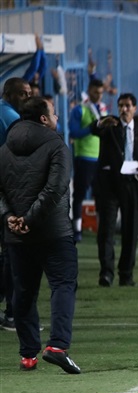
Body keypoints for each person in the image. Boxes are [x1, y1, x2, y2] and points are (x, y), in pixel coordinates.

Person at [0, 96, 81, 373]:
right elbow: (55, 188)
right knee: (63, 284)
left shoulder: (4, 149)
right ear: (44, 119)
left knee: (23, 292)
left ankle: (28, 354)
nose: (57, 118)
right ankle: (57, 346)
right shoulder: (57, 145)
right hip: (53, 232)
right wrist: (30, 219)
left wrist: (9, 218)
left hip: (16, 235)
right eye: (54, 113)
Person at [90, 93, 138, 287]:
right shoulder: (110, 125)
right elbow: (93, 129)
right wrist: (100, 123)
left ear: (135, 108)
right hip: (110, 184)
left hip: (133, 184)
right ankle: (106, 273)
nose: (124, 109)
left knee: (131, 232)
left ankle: (126, 275)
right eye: (121, 106)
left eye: (127, 106)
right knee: (106, 230)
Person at [0, 78, 32, 332]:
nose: (27, 98)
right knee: (13, 252)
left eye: (29, 93)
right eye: (22, 94)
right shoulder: (11, 118)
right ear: (8, 94)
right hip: (8, 191)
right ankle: (13, 313)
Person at [69, 78, 107, 242]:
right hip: (84, 157)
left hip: (102, 158)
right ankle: (77, 230)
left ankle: (102, 230)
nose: (98, 95)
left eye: (101, 93)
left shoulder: (103, 109)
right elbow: (74, 132)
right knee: (79, 194)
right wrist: (91, 128)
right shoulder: (79, 109)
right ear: (89, 90)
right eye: (95, 92)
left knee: (101, 196)